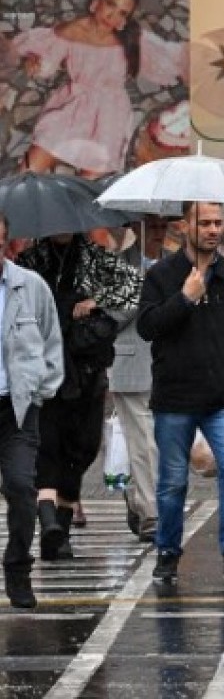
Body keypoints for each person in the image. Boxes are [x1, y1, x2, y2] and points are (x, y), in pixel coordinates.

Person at [138, 201, 224, 584]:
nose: (213, 229)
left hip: (223, 398)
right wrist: (185, 298)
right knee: (173, 482)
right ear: (184, 227)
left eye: (218, 222)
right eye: (205, 223)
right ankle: (167, 552)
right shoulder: (163, 275)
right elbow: (147, 326)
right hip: (175, 399)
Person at [18, 233, 141, 561]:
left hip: (86, 367)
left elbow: (134, 288)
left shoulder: (96, 257)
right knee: (48, 447)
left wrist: (95, 301)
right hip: (45, 368)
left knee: (83, 447)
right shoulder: (31, 262)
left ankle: (59, 523)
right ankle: (52, 529)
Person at [12, 0, 186, 177]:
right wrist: (35, 63)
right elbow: (47, 63)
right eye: (111, 4)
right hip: (72, 107)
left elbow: (171, 58)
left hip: (110, 116)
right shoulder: (72, 31)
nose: (112, 16)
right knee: (26, 172)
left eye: (122, 13)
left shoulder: (132, 38)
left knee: (88, 189)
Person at [0, 212, 63, 609]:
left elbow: (51, 340)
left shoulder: (29, 286)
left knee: (23, 489)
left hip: (17, 409)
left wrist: (42, 390)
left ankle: (18, 567)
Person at [109, 215, 176, 543]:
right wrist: (142, 286)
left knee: (162, 444)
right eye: (154, 228)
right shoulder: (117, 265)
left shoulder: (177, 265)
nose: (159, 235)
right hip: (132, 364)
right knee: (143, 444)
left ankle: (139, 500)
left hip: (170, 365)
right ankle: (152, 517)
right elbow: (111, 313)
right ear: (135, 228)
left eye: (164, 228)